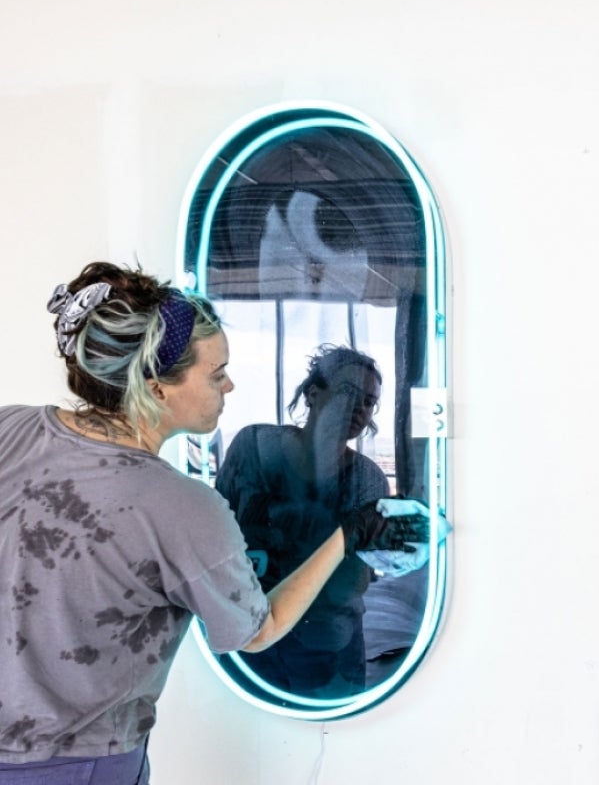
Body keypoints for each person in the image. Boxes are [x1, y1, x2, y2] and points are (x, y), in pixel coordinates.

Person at [0, 262, 410, 783]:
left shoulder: (9, 427)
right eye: (216, 374)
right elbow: (258, 630)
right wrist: (346, 535)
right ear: (154, 385)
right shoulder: (182, 503)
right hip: (77, 764)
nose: (231, 385)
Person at [215, 345, 429, 698]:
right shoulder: (253, 447)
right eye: (348, 392)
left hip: (331, 646)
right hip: (249, 632)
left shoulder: (368, 478)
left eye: (368, 402)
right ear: (314, 393)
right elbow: (217, 536)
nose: (359, 408)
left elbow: (362, 575)